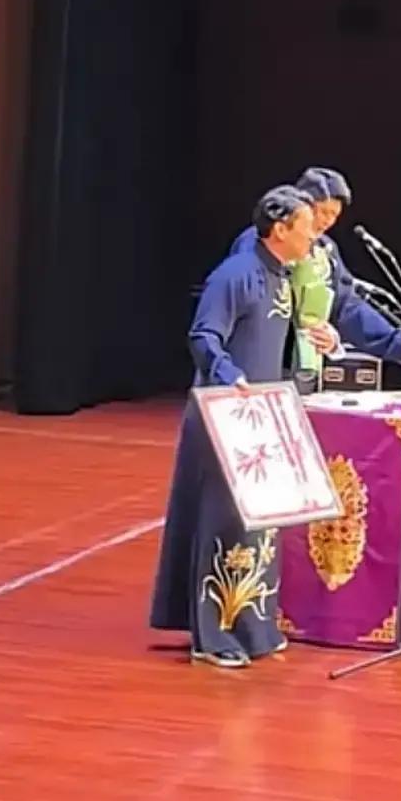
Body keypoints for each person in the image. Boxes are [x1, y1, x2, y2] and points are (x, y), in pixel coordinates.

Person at [150, 185, 331, 668]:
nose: (313, 236)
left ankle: (253, 622)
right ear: (280, 229)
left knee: (259, 523)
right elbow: (204, 336)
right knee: (222, 520)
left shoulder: (282, 277)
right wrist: (230, 375)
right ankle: (213, 636)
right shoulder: (234, 275)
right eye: (307, 227)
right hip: (226, 413)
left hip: (262, 415)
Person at [230, 166, 401, 383]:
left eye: (334, 215)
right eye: (323, 212)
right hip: (254, 366)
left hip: (304, 370)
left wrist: (400, 343)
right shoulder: (261, 240)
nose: (328, 221)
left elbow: (347, 307)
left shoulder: (324, 251)